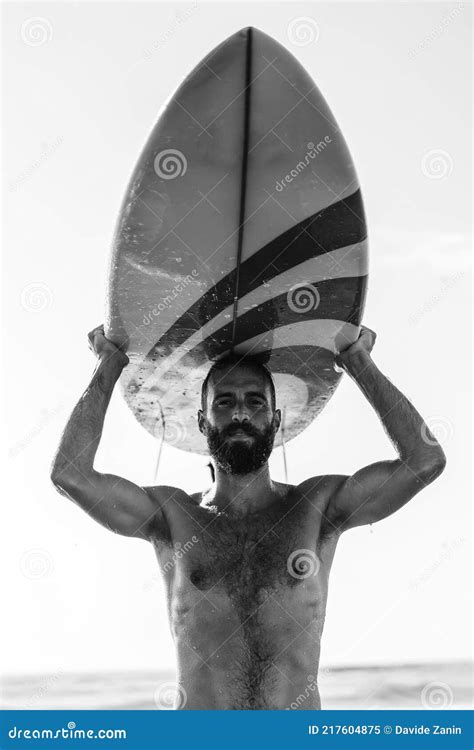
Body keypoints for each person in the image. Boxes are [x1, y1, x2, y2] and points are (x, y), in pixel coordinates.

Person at [51, 324, 446, 709]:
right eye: (224, 401)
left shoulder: (318, 507)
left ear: (276, 421)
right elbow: (71, 474)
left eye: (255, 401)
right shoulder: (171, 517)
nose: (240, 411)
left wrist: (359, 363)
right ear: (203, 422)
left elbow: (424, 460)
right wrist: (109, 364)